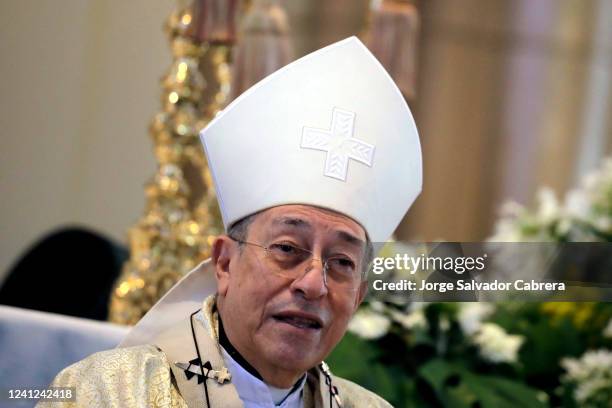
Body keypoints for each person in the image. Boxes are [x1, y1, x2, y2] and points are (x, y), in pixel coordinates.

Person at [39, 36, 422, 408]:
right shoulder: (105, 393)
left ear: (357, 297)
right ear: (224, 263)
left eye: (342, 263)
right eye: (287, 249)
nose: (313, 284)